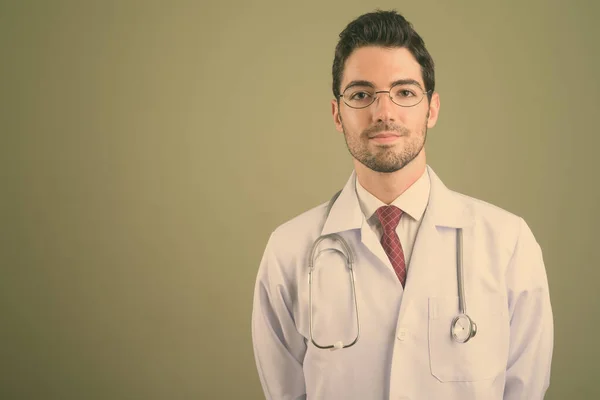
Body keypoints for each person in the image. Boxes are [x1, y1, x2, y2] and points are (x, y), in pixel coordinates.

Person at [251, 9, 553, 400]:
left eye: (405, 92)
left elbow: (525, 389)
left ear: (432, 109)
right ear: (337, 114)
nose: (384, 112)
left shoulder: (509, 244)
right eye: (361, 94)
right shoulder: (289, 251)